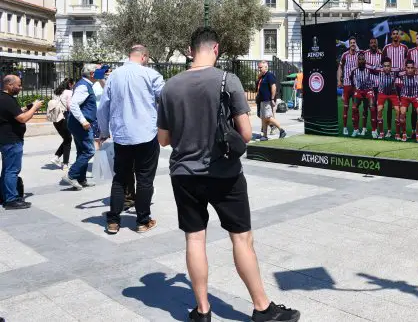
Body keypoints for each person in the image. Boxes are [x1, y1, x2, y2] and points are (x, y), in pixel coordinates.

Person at [157, 27, 300, 322]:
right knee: (241, 239)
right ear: (216, 48)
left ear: (189, 49)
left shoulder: (169, 87)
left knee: (194, 240)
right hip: (224, 173)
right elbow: (246, 134)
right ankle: (262, 308)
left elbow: (163, 140)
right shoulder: (228, 80)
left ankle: (202, 311)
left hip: (184, 174)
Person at [98, 45, 164, 234]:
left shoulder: (113, 77)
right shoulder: (151, 75)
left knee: (120, 179)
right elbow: (166, 98)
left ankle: (113, 221)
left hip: (122, 136)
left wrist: (104, 131)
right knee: (145, 179)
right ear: (144, 57)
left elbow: (103, 107)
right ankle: (142, 221)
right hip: (146, 135)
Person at [0, 75, 43, 209]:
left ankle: (5, 195)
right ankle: (11, 200)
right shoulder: (7, 100)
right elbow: (22, 119)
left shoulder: (4, 98)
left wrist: (25, 109)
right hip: (11, 140)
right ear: (9, 85)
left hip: (6, 139)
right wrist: (34, 107)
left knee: (7, 170)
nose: (20, 87)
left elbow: (13, 114)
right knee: (12, 170)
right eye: (18, 85)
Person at [63, 64, 100, 190]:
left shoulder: (86, 84)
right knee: (89, 151)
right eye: (99, 72)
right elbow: (73, 104)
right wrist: (83, 121)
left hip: (77, 123)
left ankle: (81, 179)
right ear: (92, 74)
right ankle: (71, 175)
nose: (102, 73)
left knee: (82, 151)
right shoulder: (84, 85)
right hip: (80, 124)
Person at [381, 29, 408, 134]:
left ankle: (402, 131)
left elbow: (407, 62)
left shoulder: (404, 48)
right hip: (389, 80)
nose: (396, 36)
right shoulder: (386, 48)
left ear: (399, 36)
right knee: (389, 107)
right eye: (394, 34)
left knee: (401, 107)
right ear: (391, 36)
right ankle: (388, 130)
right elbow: (382, 63)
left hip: (401, 80)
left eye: (398, 34)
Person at [349, 52, 377, 138]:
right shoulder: (353, 70)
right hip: (359, 90)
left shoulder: (369, 69)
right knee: (354, 108)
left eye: (362, 59)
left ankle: (374, 130)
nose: (361, 61)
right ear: (357, 61)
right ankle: (356, 129)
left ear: (365, 60)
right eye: (359, 59)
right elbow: (352, 82)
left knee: (372, 108)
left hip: (368, 90)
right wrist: (355, 92)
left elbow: (378, 72)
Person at [256, 61, 286, 141]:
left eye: (260, 67)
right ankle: (265, 136)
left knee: (268, 117)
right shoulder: (262, 76)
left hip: (267, 100)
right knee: (263, 118)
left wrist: (272, 99)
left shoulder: (269, 75)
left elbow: (274, 87)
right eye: (259, 67)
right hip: (262, 100)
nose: (259, 69)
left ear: (266, 67)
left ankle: (281, 130)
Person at [48, 79, 74, 169]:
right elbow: (69, 107)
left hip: (56, 119)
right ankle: (64, 163)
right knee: (68, 139)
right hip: (64, 117)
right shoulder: (69, 92)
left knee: (66, 139)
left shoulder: (56, 92)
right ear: (70, 84)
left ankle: (57, 157)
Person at [337, 36, 360, 136]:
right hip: (346, 85)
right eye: (351, 43)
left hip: (356, 85)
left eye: (354, 42)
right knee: (345, 107)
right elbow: (340, 68)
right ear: (349, 44)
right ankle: (345, 128)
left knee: (355, 108)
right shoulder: (345, 55)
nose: (353, 44)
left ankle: (356, 129)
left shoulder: (359, 55)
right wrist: (339, 80)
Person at [397, 59, 418, 142]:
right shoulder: (402, 75)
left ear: (414, 68)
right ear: (406, 68)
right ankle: (404, 134)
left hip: (416, 96)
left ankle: (417, 134)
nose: (410, 70)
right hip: (405, 96)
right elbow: (397, 73)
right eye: (408, 68)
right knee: (402, 114)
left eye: (412, 68)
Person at [375, 58, 400, 140]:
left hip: (392, 93)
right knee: (379, 110)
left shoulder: (395, 72)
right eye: (385, 66)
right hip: (382, 93)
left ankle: (397, 134)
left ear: (391, 66)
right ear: (382, 66)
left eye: (388, 66)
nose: (386, 68)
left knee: (398, 110)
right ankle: (381, 133)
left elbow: (403, 72)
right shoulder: (379, 71)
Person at [362, 38, 382, 135]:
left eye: (375, 43)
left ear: (377, 44)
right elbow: (362, 65)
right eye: (371, 43)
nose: (373, 44)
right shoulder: (365, 53)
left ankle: (375, 129)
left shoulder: (381, 54)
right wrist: (374, 67)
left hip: (377, 85)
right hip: (367, 85)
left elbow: (381, 70)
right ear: (369, 44)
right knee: (365, 107)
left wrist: (370, 67)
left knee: (376, 107)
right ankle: (364, 128)